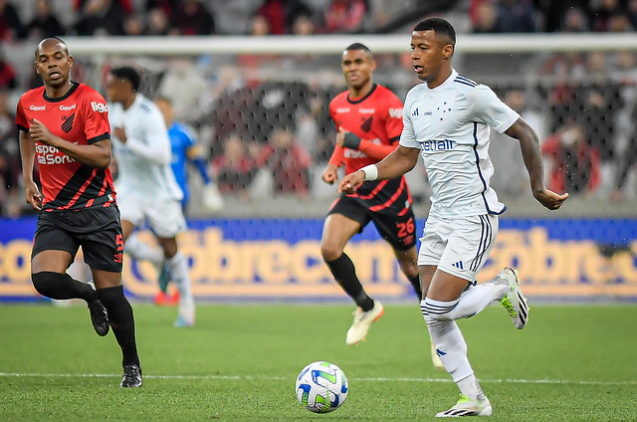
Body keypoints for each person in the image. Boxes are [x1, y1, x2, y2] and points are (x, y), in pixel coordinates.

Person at [338, 18, 568, 417]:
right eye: (412, 47)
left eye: (423, 47)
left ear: (447, 50)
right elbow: (406, 158)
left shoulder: (473, 95)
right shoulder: (413, 99)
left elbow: (526, 133)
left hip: (474, 215)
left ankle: (501, 287)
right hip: (440, 218)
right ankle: (474, 398)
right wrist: (367, 172)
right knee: (432, 310)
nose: (414, 55)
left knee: (435, 308)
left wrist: (536, 187)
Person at [15, 38, 141, 387]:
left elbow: (103, 156)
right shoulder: (27, 102)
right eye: (44, 59)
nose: (52, 63)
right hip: (56, 210)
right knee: (44, 279)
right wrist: (28, 179)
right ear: (37, 66)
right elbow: (26, 134)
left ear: (70, 62)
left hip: (97, 209)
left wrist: (55, 140)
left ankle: (131, 363)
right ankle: (88, 295)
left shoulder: (90, 101)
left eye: (58, 57)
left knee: (114, 295)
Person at [322, 42, 435, 358]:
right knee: (329, 247)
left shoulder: (389, 103)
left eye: (359, 62)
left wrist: (359, 143)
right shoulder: (337, 105)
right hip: (354, 191)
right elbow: (344, 142)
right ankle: (366, 306)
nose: (353, 68)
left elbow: (398, 154)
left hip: (388, 192)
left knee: (411, 265)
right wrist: (334, 164)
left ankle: (437, 329)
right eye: (347, 63)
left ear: (372, 66)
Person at [105, 66, 195, 328]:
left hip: (158, 191)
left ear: (127, 86)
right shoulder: (112, 112)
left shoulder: (148, 113)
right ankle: (107, 300)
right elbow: (112, 147)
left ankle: (187, 301)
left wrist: (129, 142)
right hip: (130, 188)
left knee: (170, 247)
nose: (108, 89)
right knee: (114, 238)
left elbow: (163, 156)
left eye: (113, 85)